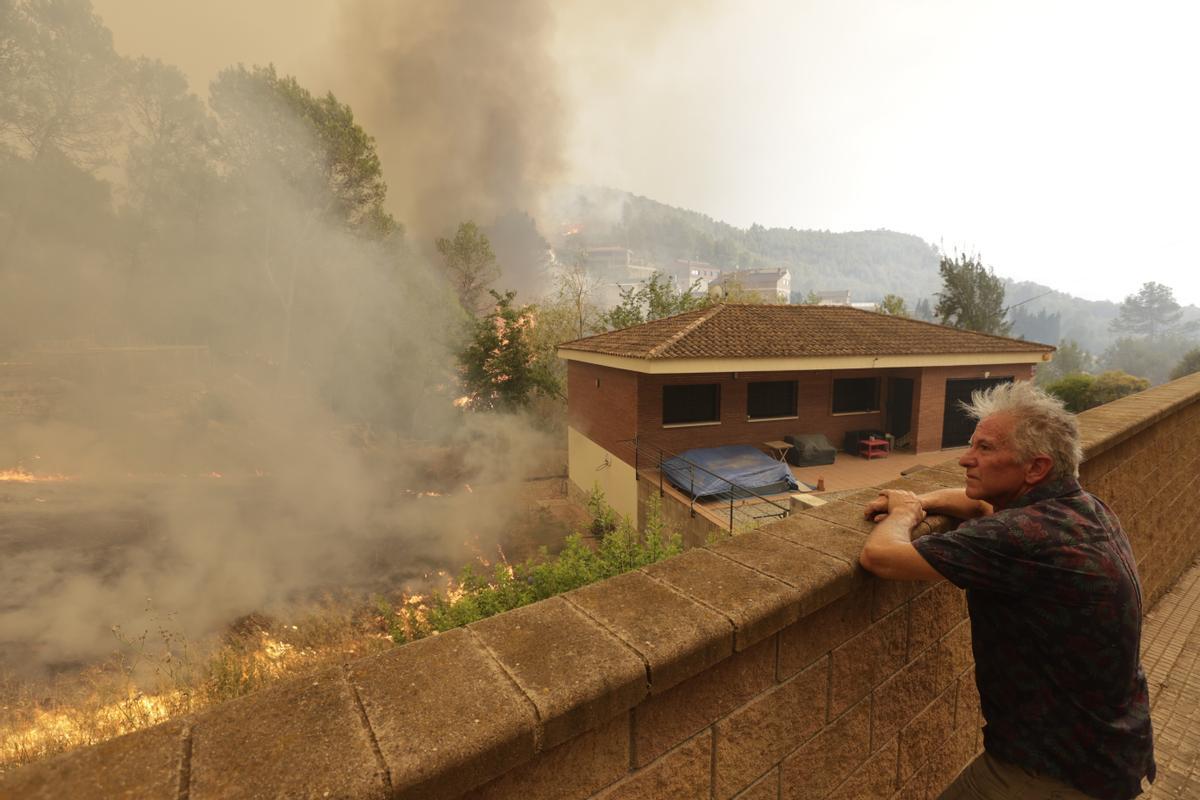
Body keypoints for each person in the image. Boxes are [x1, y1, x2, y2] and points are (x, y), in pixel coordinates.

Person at [859, 381, 1155, 800]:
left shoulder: (1023, 537)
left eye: (985, 449)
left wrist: (906, 510)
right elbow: (980, 506)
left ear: (1035, 468)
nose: (966, 459)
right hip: (1111, 750)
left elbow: (882, 557)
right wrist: (921, 500)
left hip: (1055, 770)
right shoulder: (1080, 509)